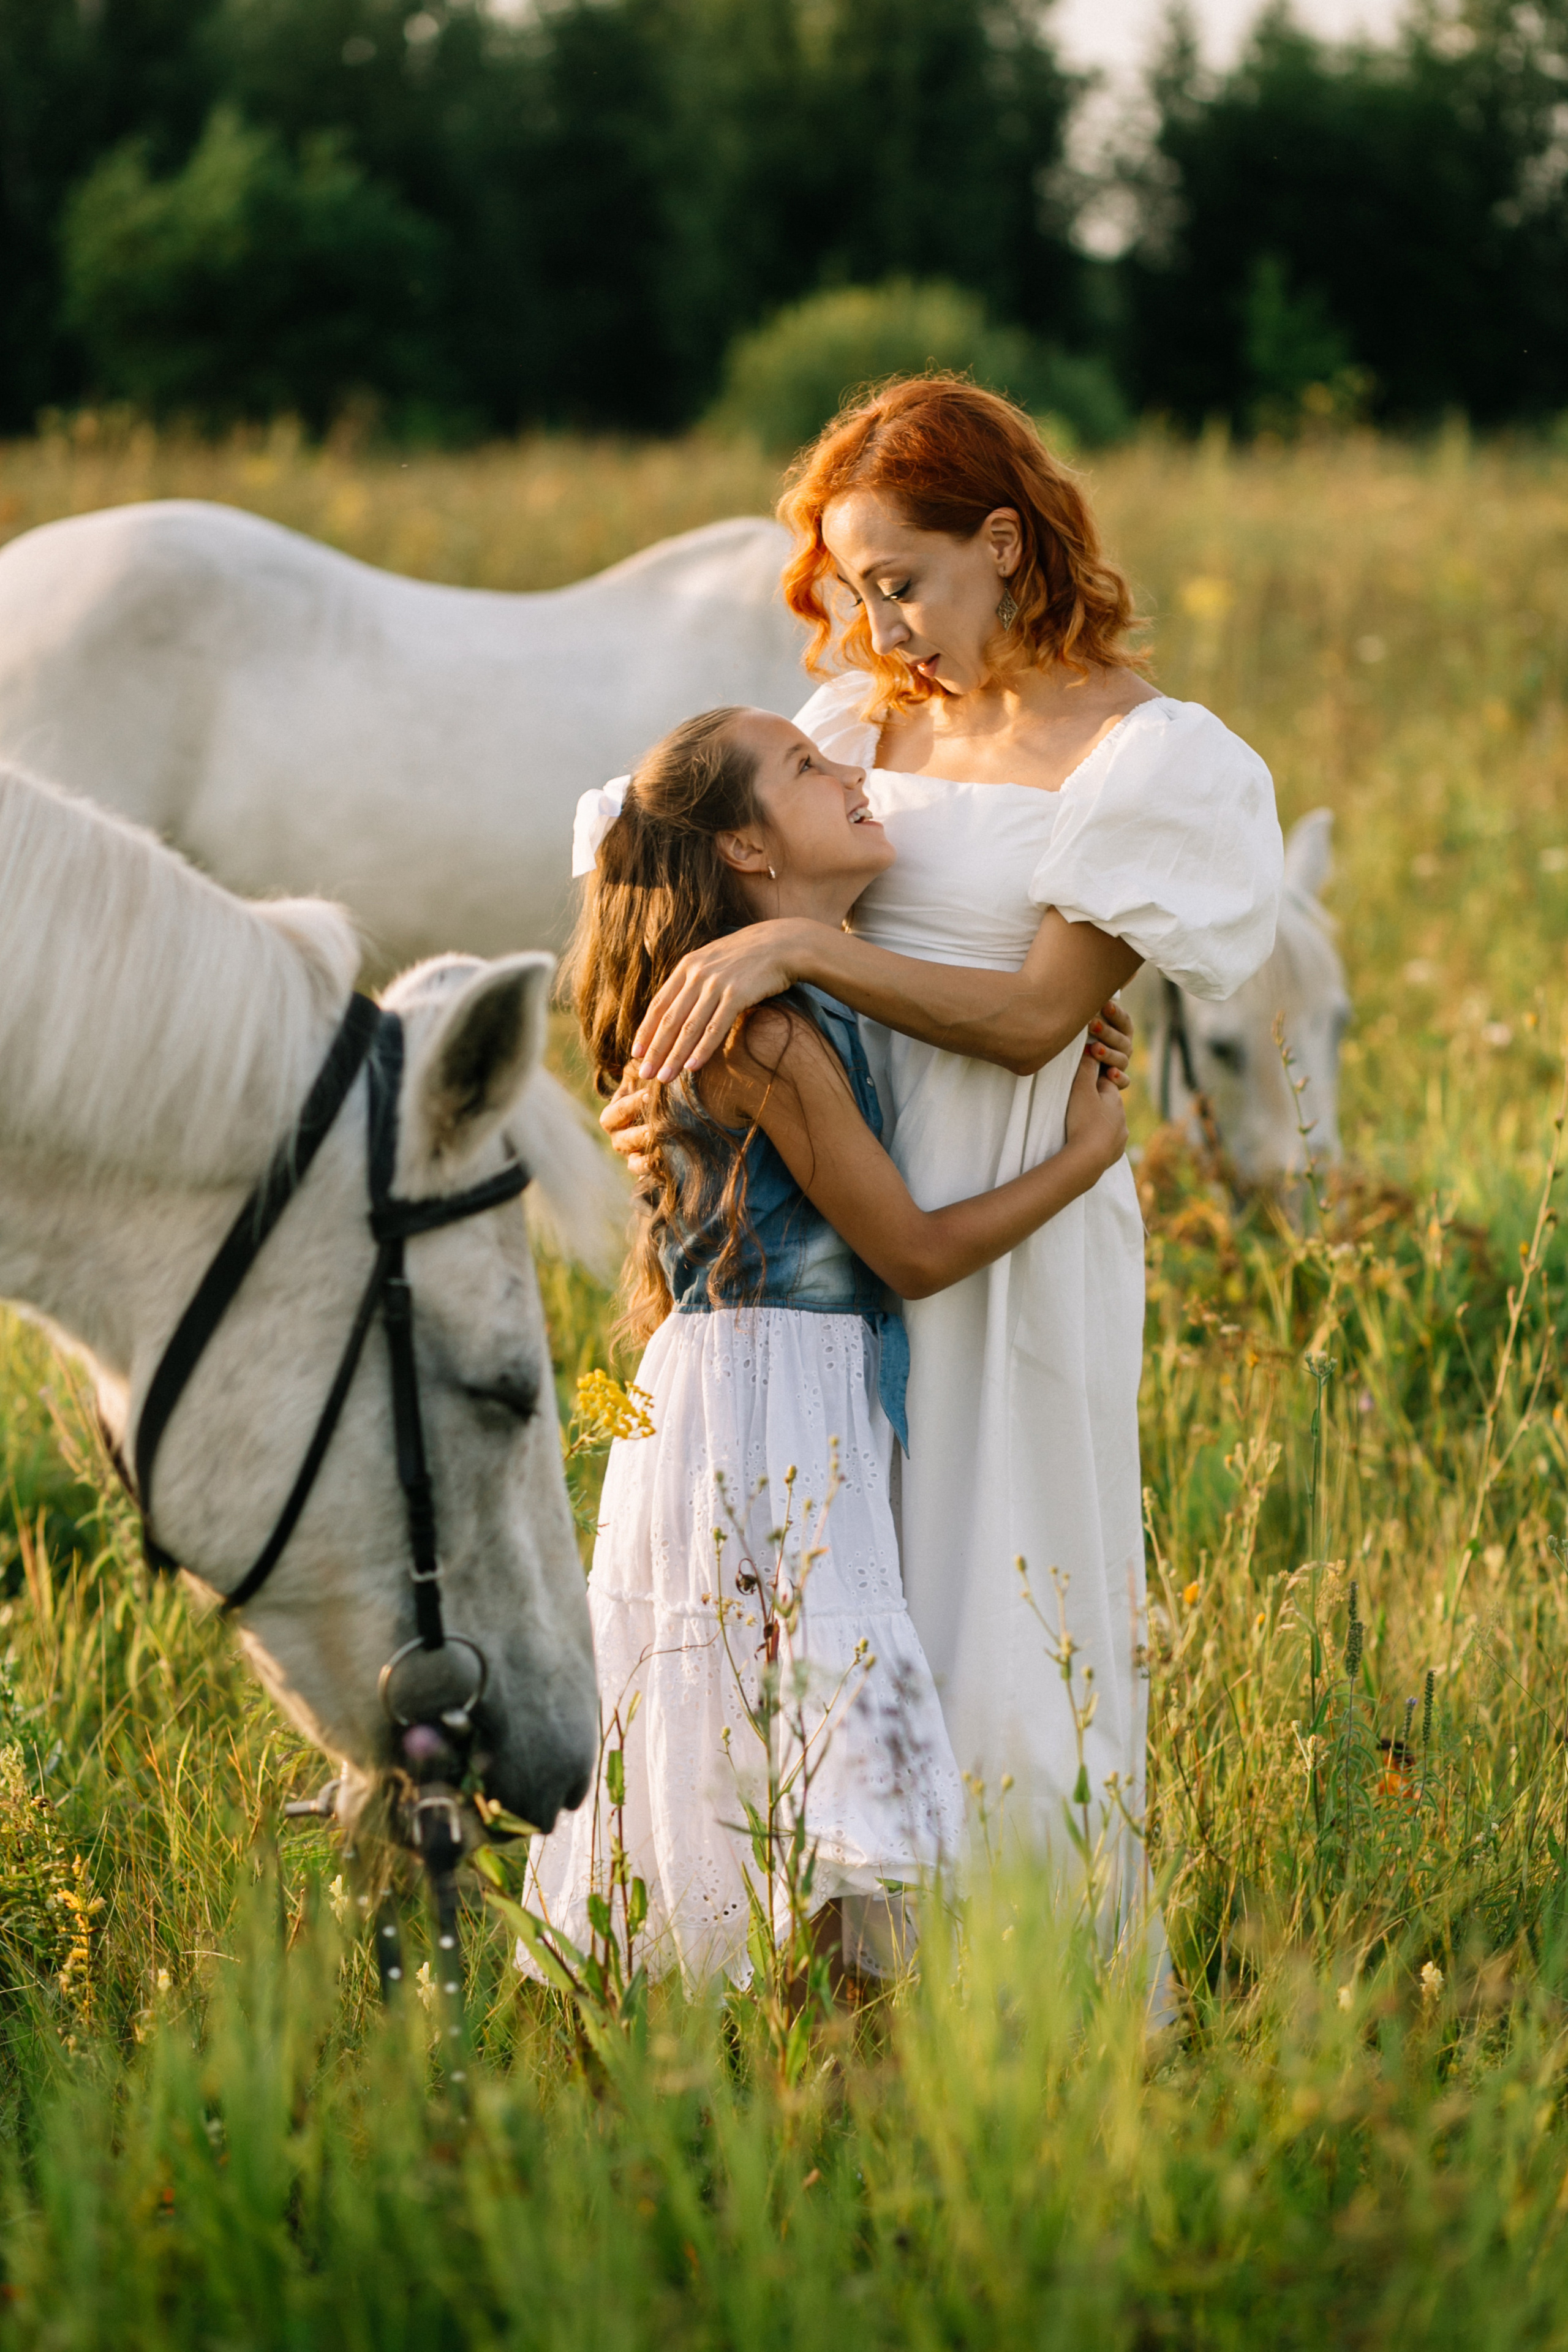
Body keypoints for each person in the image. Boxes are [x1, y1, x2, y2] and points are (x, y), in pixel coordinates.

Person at [604, 377, 1283, 1965]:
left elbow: (1043, 1015)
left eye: (899, 580)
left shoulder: (1146, 755)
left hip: (1015, 1202)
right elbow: (694, 948)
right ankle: (820, 1971)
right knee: (842, 1590)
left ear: (1002, 541)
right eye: (850, 587)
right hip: (838, 1218)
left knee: (1004, 1580)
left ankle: (1013, 1996)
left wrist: (792, 951)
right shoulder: (857, 730)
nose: (872, 619)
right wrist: (679, 1118)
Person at [527, 703, 1133, 1986]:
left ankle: (793, 2042)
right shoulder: (776, 1036)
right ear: (747, 850)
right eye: (809, 768)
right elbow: (907, 1251)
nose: (851, 768)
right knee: (814, 1746)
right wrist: (1079, 1157)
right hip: (769, 1410)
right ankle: (825, 2046)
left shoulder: (787, 1000)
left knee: (776, 1728)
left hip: (743, 1390)